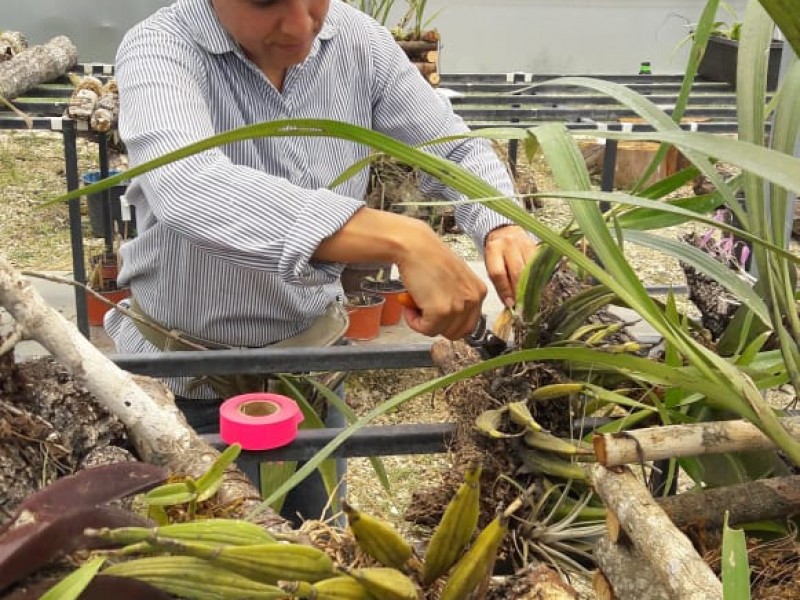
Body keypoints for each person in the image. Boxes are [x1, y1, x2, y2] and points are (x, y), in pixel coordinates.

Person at [106, 0, 538, 523]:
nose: (301, 24)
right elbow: (192, 186)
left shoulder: (357, 43)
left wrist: (501, 222)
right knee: (206, 564)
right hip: (187, 383)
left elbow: (453, 149)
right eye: (266, 2)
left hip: (312, 375)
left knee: (321, 541)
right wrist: (403, 238)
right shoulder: (161, 48)